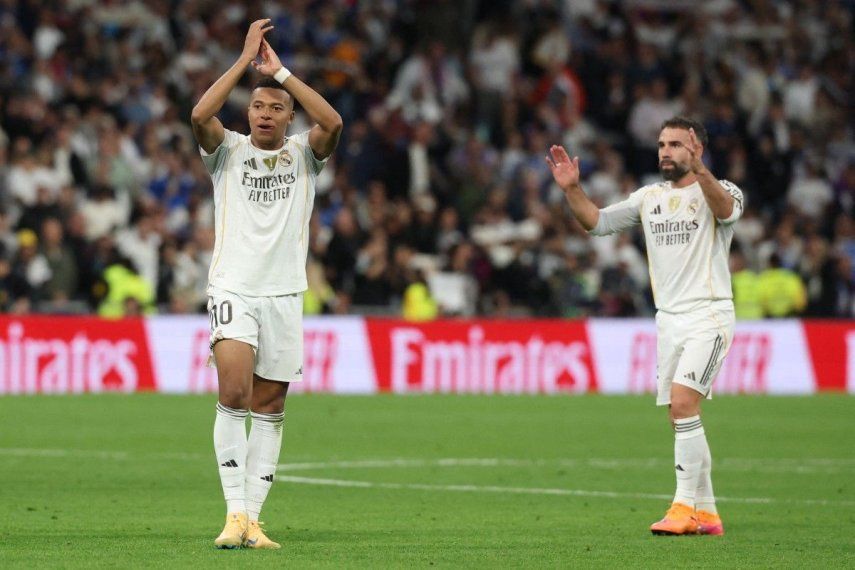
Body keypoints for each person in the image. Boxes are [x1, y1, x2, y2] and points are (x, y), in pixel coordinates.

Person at [547, 117, 743, 536]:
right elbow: (596, 222)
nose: (665, 152)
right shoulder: (648, 198)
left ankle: (682, 507)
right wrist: (571, 190)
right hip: (668, 321)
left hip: (708, 315)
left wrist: (703, 171)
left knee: (683, 405)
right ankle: (707, 513)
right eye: (661, 144)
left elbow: (726, 211)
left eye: (675, 144)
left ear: (696, 150)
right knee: (679, 416)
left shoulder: (723, 191)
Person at [190, 19, 342, 549]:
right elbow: (198, 114)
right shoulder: (226, 151)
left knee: (271, 406)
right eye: (258, 106)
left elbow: (334, 121)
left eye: (276, 107)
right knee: (233, 392)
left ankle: (253, 521)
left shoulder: (304, 155)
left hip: (283, 294)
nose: (266, 113)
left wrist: (279, 71)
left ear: (289, 117)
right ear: (247, 113)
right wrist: (244, 60)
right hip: (233, 287)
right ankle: (233, 513)